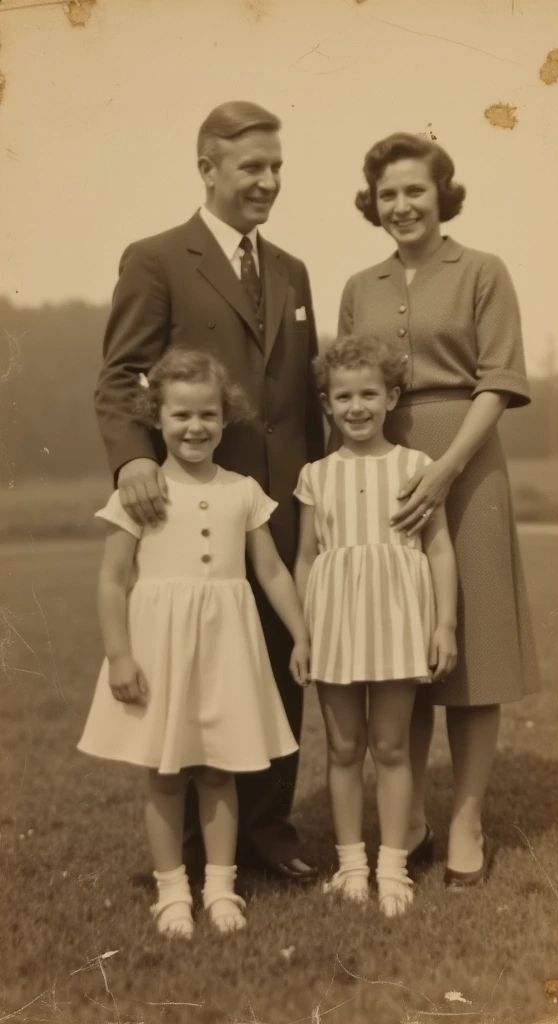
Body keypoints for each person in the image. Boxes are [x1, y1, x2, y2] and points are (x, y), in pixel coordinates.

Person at [94, 101, 324, 882]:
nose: (268, 181)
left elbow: (303, 395)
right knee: (192, 669)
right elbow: (121, 375)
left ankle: (265, 836)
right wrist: (132, 459)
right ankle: (189, 851)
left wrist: (316, 492)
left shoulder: (292, 270)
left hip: (279, 505)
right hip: (186, 500)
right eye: (252, 166)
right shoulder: (157, 258)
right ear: (207, 168)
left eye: (277, 167)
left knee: (272, 667)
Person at [338, 132, 540, 887]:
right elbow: (349, 384)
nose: (401, 206)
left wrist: (448, 467)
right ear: (374, 203)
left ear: (441, 193)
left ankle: (466, 821)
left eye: (414, 190)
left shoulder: (482, 271)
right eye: (387, 194)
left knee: (474, 649)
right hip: (387, 467)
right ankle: (410, 817)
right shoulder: (360, 284)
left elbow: (499, 380)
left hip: (468, 461)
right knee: (403, 647)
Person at [79, 350, 310, 938]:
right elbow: (112, 578)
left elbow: (273, 571)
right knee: (163, 772)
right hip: (160, 649)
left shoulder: (242, 489)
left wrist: (302, 633)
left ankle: (222, 887)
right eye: (181, 414)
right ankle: (172, 890)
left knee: (219, 769)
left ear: (225, 417)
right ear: (156, 417)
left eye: (208, 414)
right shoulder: (143, 494)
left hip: (227, 648)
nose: (195, 427)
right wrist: (120, 654)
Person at [293, 334, 457, 915]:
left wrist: (444, 627)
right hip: (335, 621)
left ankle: (393, 870)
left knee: (390, 746)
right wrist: (302, 633)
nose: (356, 407)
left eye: (369, 394)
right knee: (342, 746)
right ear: (327, 404)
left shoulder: (417, 467)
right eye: (343, 397)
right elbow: (307, 557)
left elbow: (438, 551)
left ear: (391, 397)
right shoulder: (315, 475)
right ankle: (352, 867)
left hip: (396, 622)